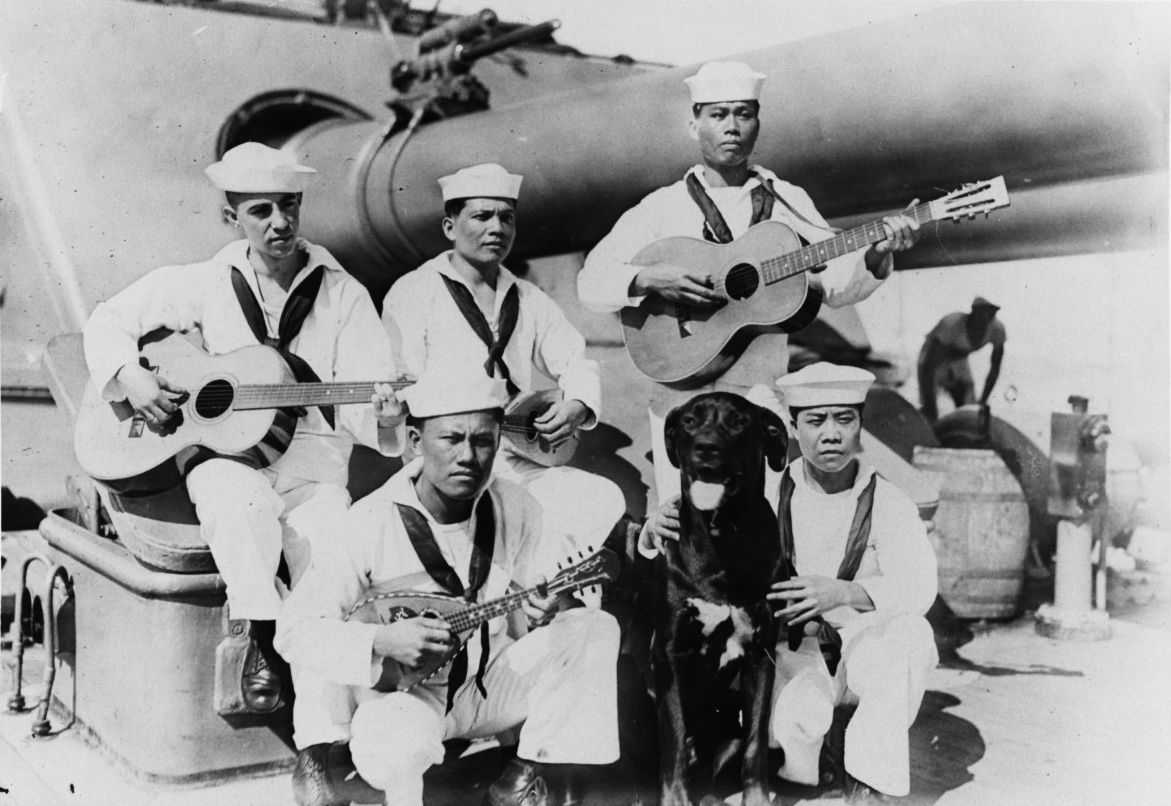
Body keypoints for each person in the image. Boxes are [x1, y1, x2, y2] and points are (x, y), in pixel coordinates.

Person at [83, 142, 404, 711]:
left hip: (313, 467)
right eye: (261, 210)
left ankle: (321, 739)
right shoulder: (205, 281)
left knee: (333, 554)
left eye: (289, 205)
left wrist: (385, 415)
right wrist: (132, 377)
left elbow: (364, 406)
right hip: (227, 460)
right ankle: (262, 634)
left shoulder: (345, 295)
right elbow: (107, 320)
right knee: (237, 504)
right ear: (231, 218)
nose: (280, 222)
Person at [577, 60, 923, 505]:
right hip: (679, 402)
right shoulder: (660, 208)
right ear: (693, 124)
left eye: (744, 114)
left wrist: (878, 251)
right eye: (718, 115)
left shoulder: (788, 202)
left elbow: (836, 286)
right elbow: (592, 283)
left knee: (758, 532)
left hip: (760, 399)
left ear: (758, 122)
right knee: (687, 531)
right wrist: (648, 277)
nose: (732, 127)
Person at [275, 372, 620, 806]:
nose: (468, 457)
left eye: (483, 441)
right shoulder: (369, 521)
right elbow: (294, 632)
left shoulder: (513, 504)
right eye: (451, 439)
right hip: (407, 695)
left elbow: (556, 592)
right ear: (416, 441)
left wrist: (550, 606)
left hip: (487, 686)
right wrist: (383, 639)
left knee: (593, 626)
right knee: (392, 745)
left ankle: (523, 781)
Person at [642, 363, 938, 803]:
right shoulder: (771, 486)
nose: (831, 435)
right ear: (793, 431)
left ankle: (870, 779)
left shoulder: (890, 500)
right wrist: (655, 527)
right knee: (794, 734)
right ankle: (821, 754)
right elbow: (703, 518)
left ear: (860, 429)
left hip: (863, 647)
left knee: (911, 638)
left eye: (845, 419)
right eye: (816, 421)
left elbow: (920, 587)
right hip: (798, 653)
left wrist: (846, 593)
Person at [382, 162, 626, 564]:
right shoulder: (414, 292)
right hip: (446, 460)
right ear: (449, 227)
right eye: (481, 216)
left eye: (506, 218)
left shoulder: (528, 297)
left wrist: (576, 406)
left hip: (515, 456)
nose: (496, 228)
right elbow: (399, 380)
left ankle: (543, 605)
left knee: (599, 498)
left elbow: (574, 358)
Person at [917, 296, 1007, 422]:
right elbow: (929, 366)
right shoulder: (952, 323)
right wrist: (930, 406)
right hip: (932, 357)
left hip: (959, 359)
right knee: (930, 410)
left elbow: (995, 369)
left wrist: (983, 401)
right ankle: (925, 418)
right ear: (973, 311)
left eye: (992, 312)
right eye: (984, 311)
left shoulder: (997, 329)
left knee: (970, 411)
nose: (988, 317)